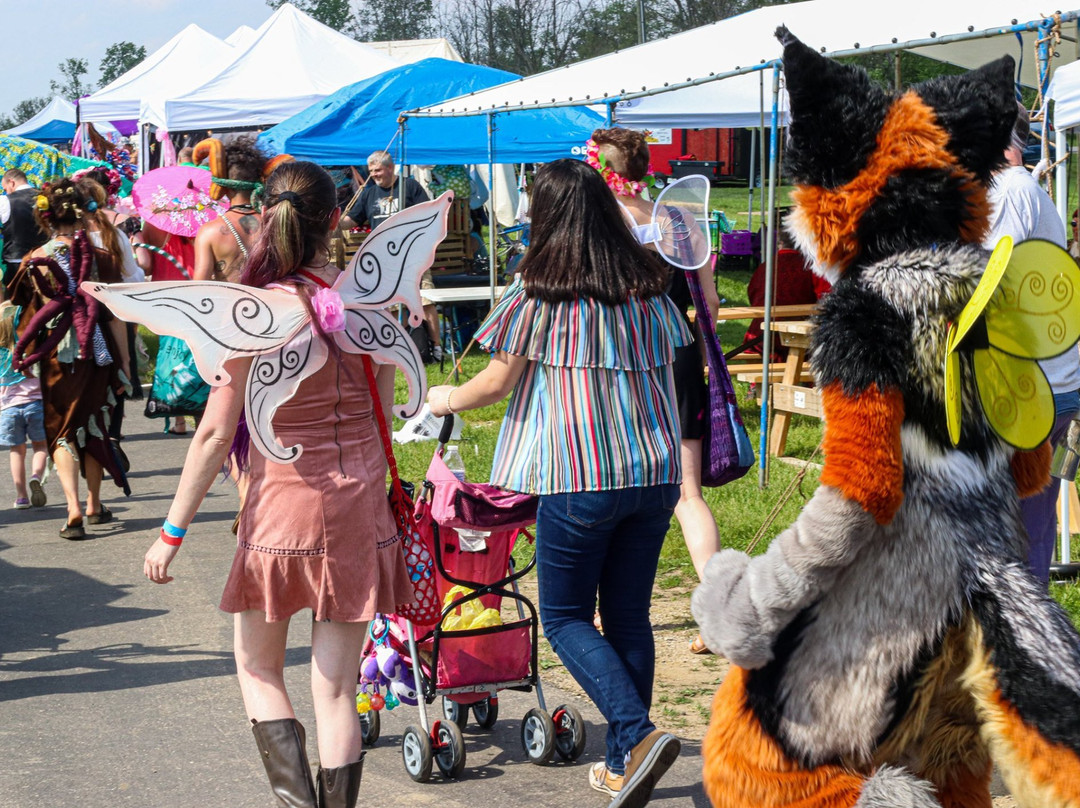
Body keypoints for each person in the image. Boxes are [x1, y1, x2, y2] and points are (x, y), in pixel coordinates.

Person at [143, 161, 413, 808]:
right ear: (333, 221)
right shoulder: (367, 306)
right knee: (337, 693)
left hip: (280, 515)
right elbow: (382, 413)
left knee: (259, 668)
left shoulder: (250, 315)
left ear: (266, 215)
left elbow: (212, 435)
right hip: (359, 511)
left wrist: (171, 532)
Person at [428, 158, 687, 808]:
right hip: (655, 474)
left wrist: (444, 400)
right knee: (628, 615)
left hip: (581, 477)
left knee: (569, 616)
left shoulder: (537, 296)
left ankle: (635, 731)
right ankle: (627, 762)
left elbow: (496, 383)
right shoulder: (651, 289)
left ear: (544, 217)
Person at [587, 127, 722, 655]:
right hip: (679, 348)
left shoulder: (600, 220)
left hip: (622, 358)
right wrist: (707, 356)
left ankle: (601, 608)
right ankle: (716, 616)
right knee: (688, 493)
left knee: (612, 486)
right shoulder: (678, 216)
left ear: (602, 168)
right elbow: (708, 298)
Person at [983, 103, 1080, 586]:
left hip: (1030, 394)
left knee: (1009, 527)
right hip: (1051, 386)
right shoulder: (1029, 193)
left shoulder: (1008, 192)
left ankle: (1013, 645)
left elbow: (981, 288)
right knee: (1034, 525)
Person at [7, 179, 129, 539]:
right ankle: (94, 504)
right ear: (82, 213)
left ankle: (73, 508)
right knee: (93, 423)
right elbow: (115, 315)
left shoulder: (33, 261)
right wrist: (124, 362)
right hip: (97, 352)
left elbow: (26, 317)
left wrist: (25, 359)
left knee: (60, 431)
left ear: (44, 217)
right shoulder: (102, 258)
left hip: (57, 359)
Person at [340, 150, 441, 361]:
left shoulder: (410, 187)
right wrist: (333, 223)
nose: (374, 175)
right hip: (383, 259)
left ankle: (438, 348)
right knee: (390, 303)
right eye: (371, 171)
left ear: (390, 167)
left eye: (378, 170)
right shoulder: (368, 193)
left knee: (425, 300)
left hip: (414, 257)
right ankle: (395, 346)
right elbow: (352, 220)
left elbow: (429, 216)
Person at [193, 137, 266, 283]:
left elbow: (198, 287)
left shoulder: (209, 232)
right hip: (272, 304)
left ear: (222, 185)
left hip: (228, 305)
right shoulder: (274, 223)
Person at [0, 302, 47, 509]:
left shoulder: (2, 355)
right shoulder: (30, 350)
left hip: (9, 408)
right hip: (36, 403)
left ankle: (21, 497)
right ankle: (36, 476)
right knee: (41, 447)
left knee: (16, 451)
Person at [0, 169, 48, 293]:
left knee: (16, 305)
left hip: (17, 263)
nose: (6, 192)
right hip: (45, 261)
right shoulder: (45, 197)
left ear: (11, 182)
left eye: (5, 189)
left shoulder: (5, 201)